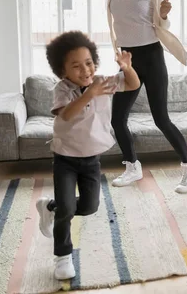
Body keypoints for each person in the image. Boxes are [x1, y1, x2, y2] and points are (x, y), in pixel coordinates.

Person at [76, 0, 187, 194]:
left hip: (152, 56)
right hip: (127, 59)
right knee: (118, 118)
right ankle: (132, 166)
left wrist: (164, 15)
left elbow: (161, 25)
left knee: (161, 119)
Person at [36, 31, 140, 280]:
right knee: (67, 210)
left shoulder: (103, 82)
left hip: (92, 158)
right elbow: (67, 115)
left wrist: (127, 68)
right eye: (76, 65)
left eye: (89, 63)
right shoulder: (62, 89)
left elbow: (134, 84)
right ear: (63, 71)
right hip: (65, 159)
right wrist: (89, 94)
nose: (85, 69)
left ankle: (50, 206)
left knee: (90, 206)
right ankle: (62, 257)